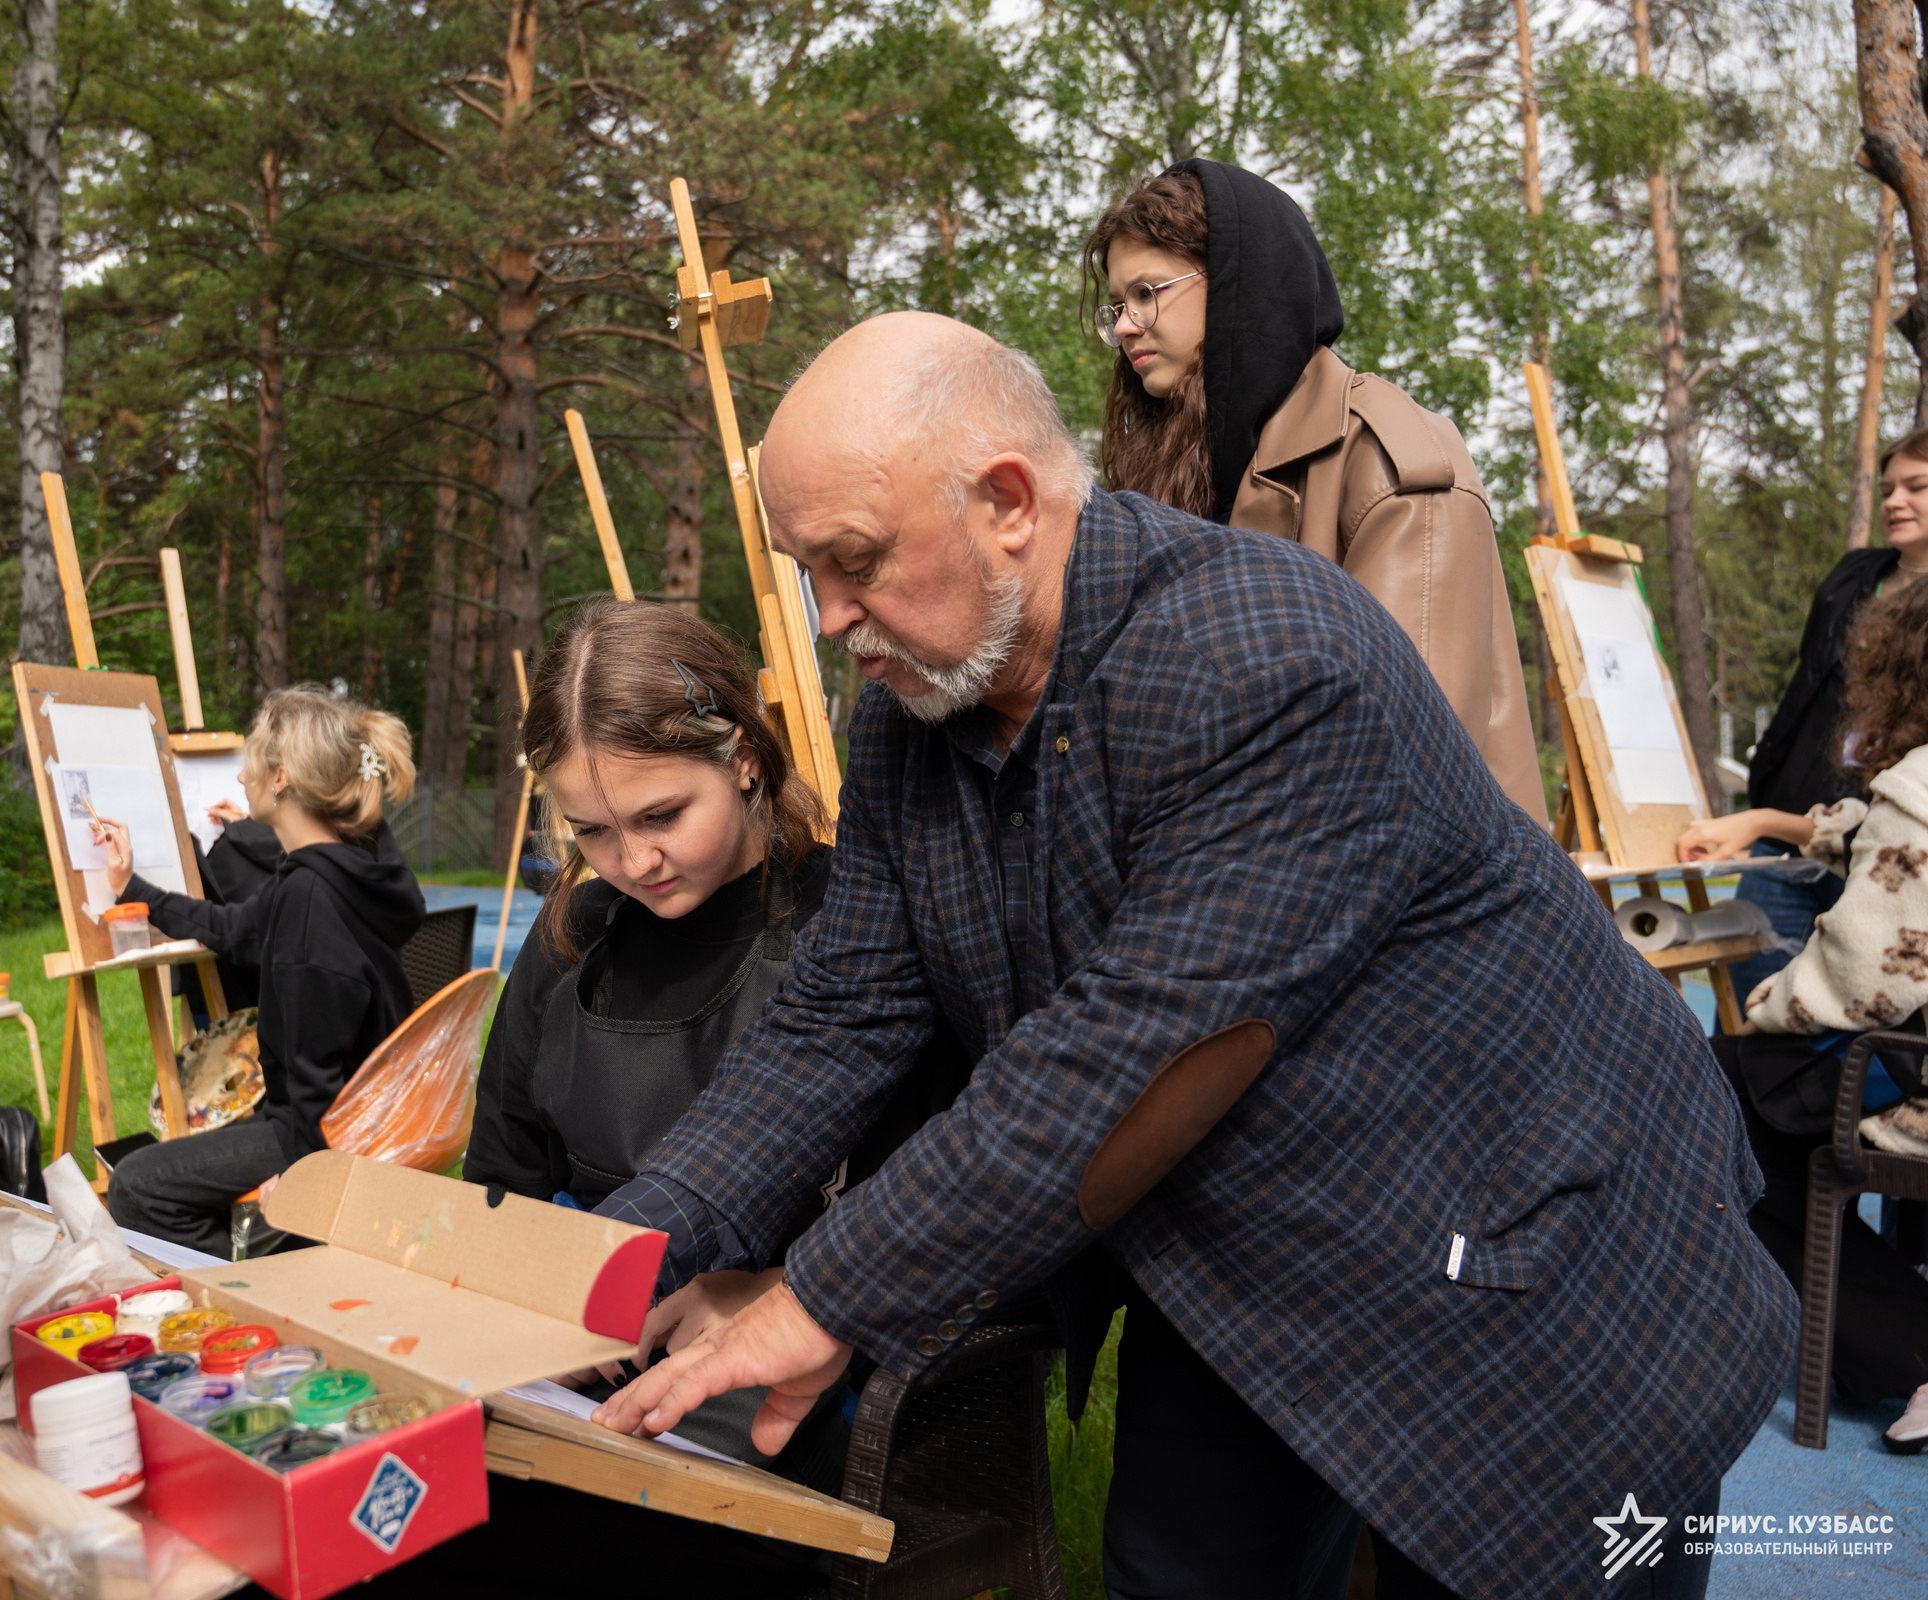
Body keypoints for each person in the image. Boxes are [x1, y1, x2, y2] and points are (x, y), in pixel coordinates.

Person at [582, 312, 1792, 1600]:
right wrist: (619, 1259)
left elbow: (1118, 1061)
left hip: (1526, 1252)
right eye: (801, 568)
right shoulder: (907, 722)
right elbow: (837, 1017)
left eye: (855, 561)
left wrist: (817, 1296)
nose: (827, 619)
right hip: (1248, 1249)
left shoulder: (1266, 655)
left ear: (1006, 503)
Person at [378, 603, 961, 1598]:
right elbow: (503, 1184)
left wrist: (786, 1285)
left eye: (660, 816)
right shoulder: (571, 937)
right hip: (587, 1341)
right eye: (591, 830)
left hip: (809, 1365)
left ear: (741, 756)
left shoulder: (848, 930)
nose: (631, 862)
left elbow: (937, 1199)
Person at [1083, 160, 1545, 821]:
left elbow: (1401, 771)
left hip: (1422, 910)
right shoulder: (1186, 476)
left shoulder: (1389, 462)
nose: (1126, 325)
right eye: (1118, 305)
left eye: (1148, 292)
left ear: (1241, 284)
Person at [1681, 574, 1928, 1456]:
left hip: (1914, 1076)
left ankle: (1911, 1350)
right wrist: (1763, 823)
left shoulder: (1920, 785)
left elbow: (1868, 979)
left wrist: (1767, 1001)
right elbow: (1868, 833)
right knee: (1742, 1100)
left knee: (1701, 1103)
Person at [99, 685, 424, 1255]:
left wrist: (302, 1187)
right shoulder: (344, 870)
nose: (241, 776)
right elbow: (234, 929)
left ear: (280, 778)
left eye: (250, 761)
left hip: (328, 1133)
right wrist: (134, 889)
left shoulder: (310, 898)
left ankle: (257, 1287)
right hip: (361, 1114)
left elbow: (315, 1079)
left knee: (138, 1187)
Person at [1724, 428, 1928, 994]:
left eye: (1917, 486)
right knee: (1751, 998)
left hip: (1887, 846)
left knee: (1848, 1019)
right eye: (1888, 488)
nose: (1894, 502)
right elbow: (1805, 693)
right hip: (1795, 827)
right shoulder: (1853, 577)